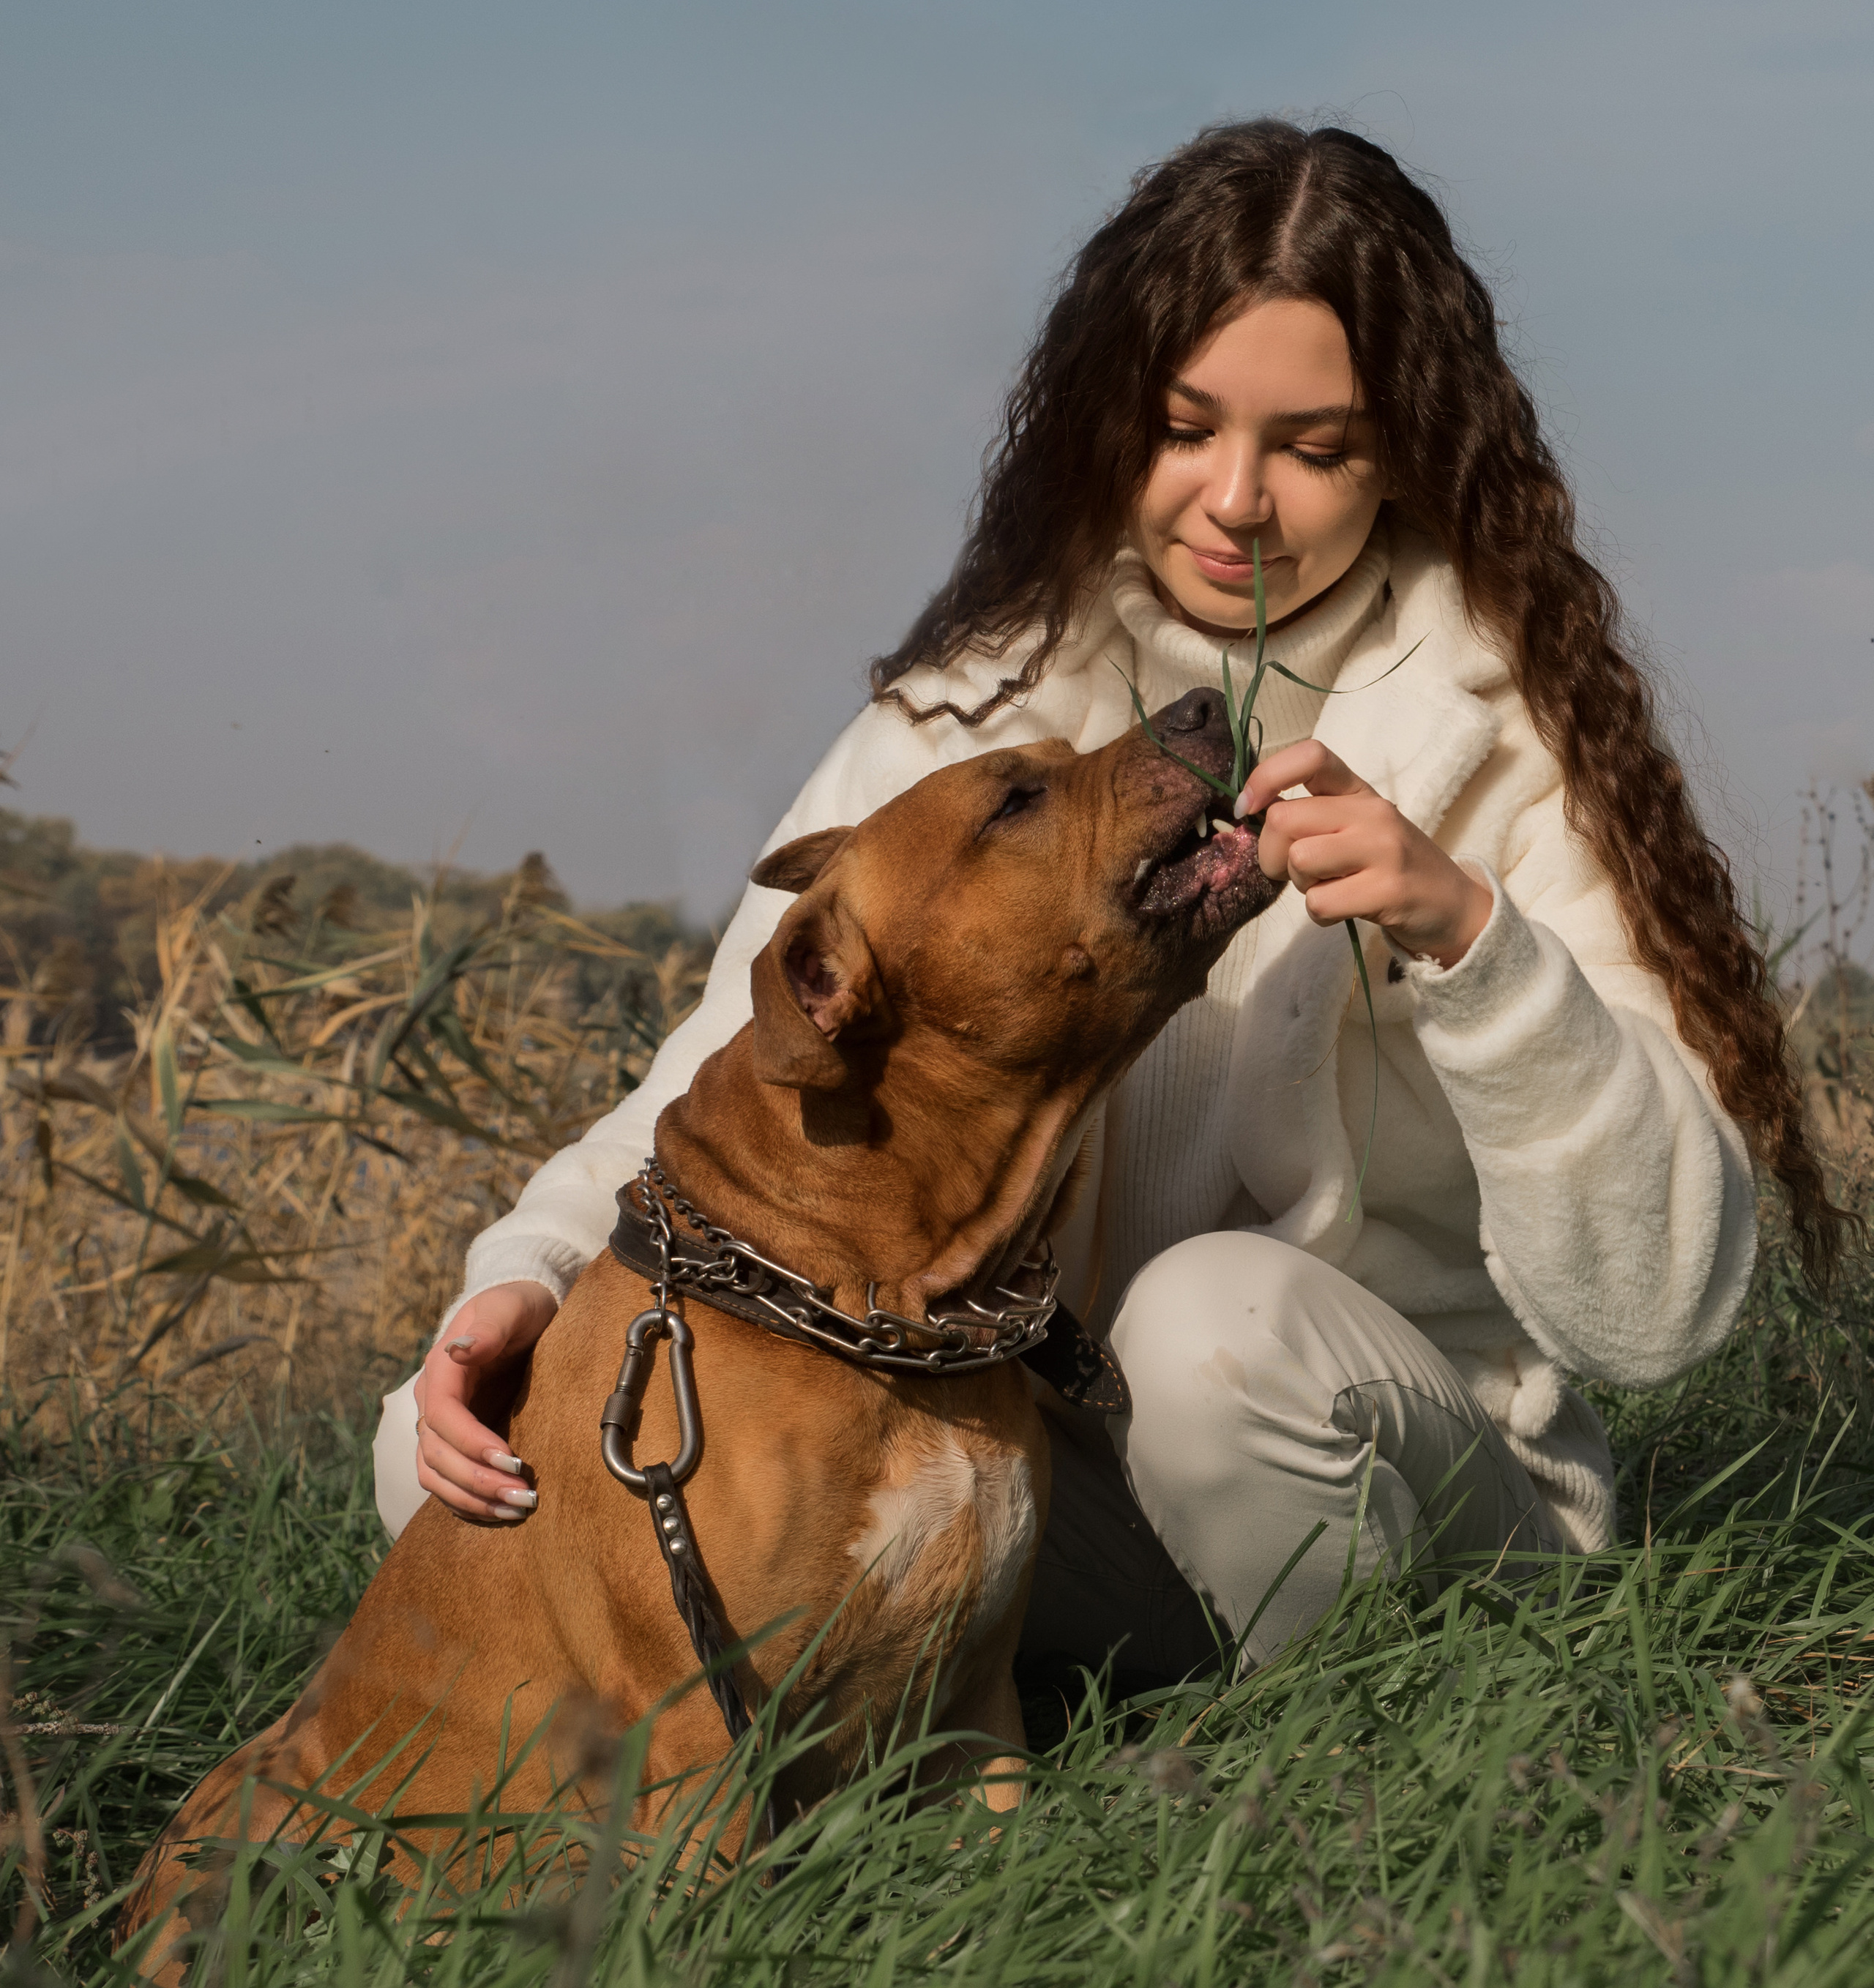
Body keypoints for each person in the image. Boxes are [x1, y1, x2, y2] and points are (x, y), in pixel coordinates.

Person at [374, 121, 1846, 1682]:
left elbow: (1661, 1312)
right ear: (1101, 421)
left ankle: (1356, 1751)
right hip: (1048, 1475)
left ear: (1408, 446)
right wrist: (521, 1283)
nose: (1235, 501)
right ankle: (981, 1749)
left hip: (1398, 1489)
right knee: (451, 1454)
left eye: (1314, 446)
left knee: (1206, 1332)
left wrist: (1466, 942)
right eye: (1179, 426)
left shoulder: (1507, 738)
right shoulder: (968, 724)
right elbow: (729, 1085)